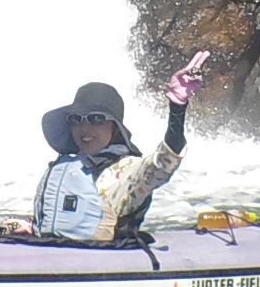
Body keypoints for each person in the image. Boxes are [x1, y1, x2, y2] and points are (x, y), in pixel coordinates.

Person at [27, 53, 208, 243]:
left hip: (101, 261)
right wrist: (31, 227)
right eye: (76, 120)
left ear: (114, 127)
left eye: (96, 119)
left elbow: (163, 163)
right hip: (52, 253)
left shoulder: (128, 171)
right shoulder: (66, 167)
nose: (84, 128)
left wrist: (177, 108)